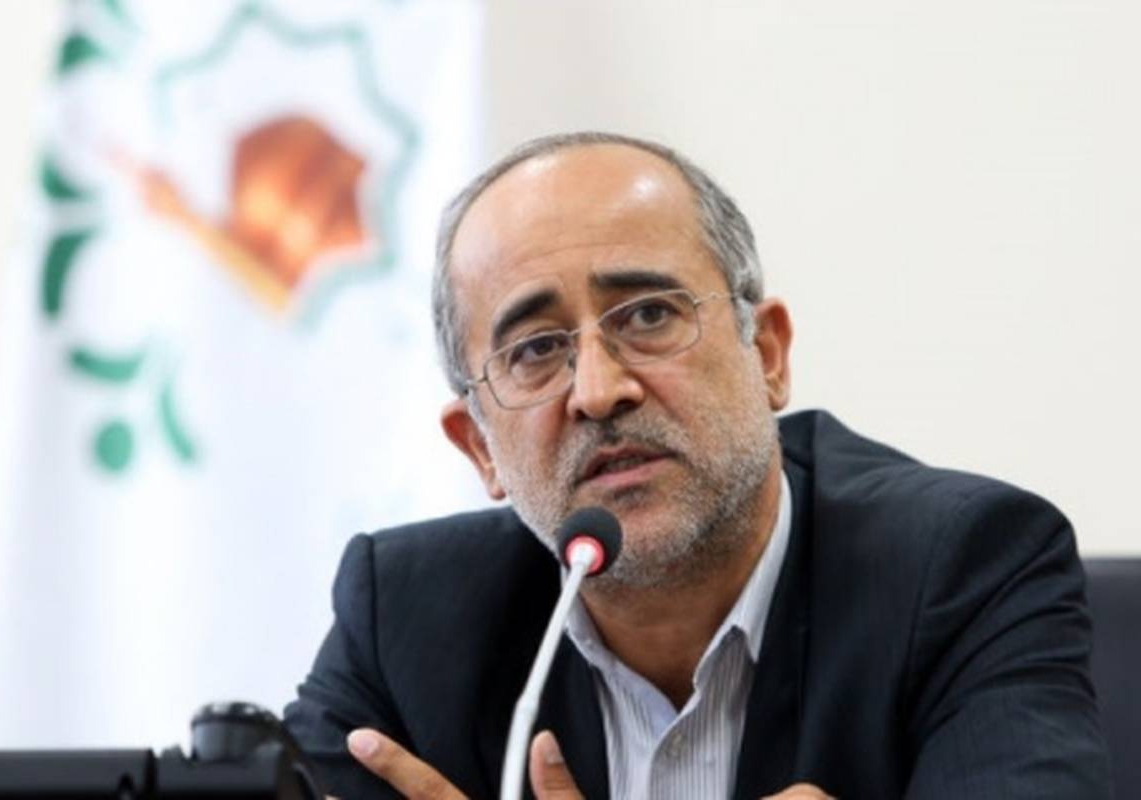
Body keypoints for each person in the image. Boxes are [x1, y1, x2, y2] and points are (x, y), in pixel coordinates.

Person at [283, 132, 1110, 799]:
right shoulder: (406, 618)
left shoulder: (964, 569)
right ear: (478, 447)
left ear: (769, 355)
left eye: (648, 315)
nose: (599, 391)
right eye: (535, 349)